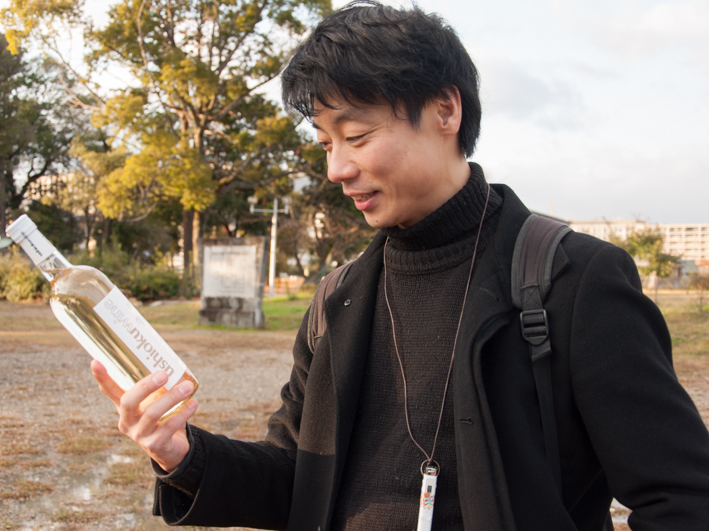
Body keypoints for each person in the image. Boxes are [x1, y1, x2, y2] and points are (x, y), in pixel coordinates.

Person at [90, 2, 709, 529]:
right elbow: (297, 479)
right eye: (326, 144)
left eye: (356, 136)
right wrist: (182, 454)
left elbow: (683, 498)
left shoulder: (572, 280)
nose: (336, 169)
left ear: (446, 110)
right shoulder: (338, 298)